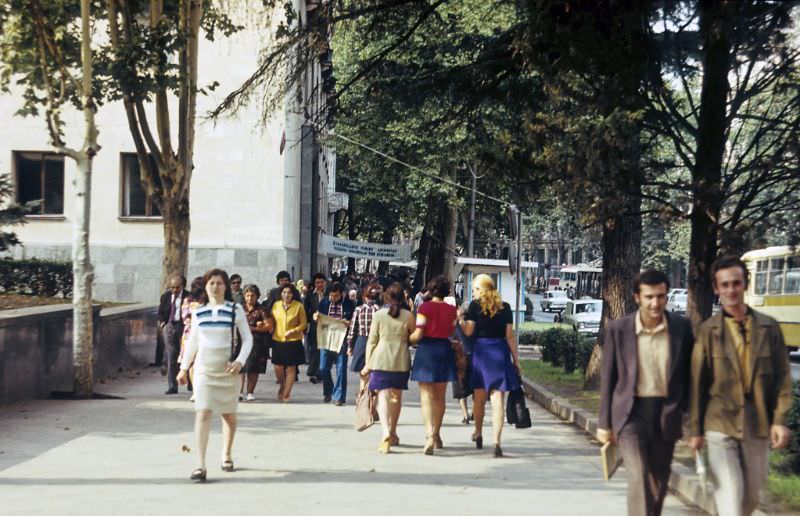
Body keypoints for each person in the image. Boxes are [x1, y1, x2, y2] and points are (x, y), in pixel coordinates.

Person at [688, 256, 792, 516]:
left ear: (745, 284)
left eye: (736, 283)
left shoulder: (769, 328)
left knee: (751, 498)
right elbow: (697, 383)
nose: (731, 290)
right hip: (719, 423)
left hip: (757, 424)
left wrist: (778, 420)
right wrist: (695, 429)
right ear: (716, 288)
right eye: (725, 285)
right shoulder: (708, 331)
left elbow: (783, 377)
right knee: (731, 501)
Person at [597, 269, 694, 516]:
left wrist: (691, 420)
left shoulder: (681, 328)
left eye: (661, 296)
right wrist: (604, 423)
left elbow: (689, 377)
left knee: (657, 485)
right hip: (630, 416)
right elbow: (609, 378)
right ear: (637, 297)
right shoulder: (619, 329)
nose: (655, 303)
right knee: (639, 478)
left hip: (666, 415)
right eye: (649, 296)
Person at [177, 268, 253, 482]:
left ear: (226, 286)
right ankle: (200, 464)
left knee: (228, 414)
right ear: (206, 285)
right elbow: (193, 341)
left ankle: (226, 453)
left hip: (228, 368)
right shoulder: (198, 311)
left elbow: (247, 339)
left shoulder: (235, 309)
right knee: (203, 412)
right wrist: (184, 368)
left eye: (220, 283)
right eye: (212, 283)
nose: (215, 287)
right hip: (203, 369)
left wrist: (240, 361)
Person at [457, 274, 519, 457]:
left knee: (479, 398)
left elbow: (468, 331)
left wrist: (460, 319)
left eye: (476, 289)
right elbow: (509, 336)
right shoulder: (505, 307)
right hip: (500, 353)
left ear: (483, 289)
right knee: (498, 400)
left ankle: (478, 432)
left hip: (481, 353)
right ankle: (497, 442)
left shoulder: (475, 307)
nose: (474, 292)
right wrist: (516, 360)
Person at [361, 283, 415, 453]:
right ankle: (393, 431)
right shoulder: (408, 316)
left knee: (382, 396)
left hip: (380, 359)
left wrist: (368, 364)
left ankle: (384, 431)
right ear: (403, 298)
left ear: (386, 298)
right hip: (400, 359)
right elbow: (413, 339)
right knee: (396, 397)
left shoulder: (378, 315)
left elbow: (372, 341)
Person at [410, 275, 458, 455]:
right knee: (440, 396)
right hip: (444, 350)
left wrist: (407, 339)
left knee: (426, 396)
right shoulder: (452, 310)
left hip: (427, 351)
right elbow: (452, 330)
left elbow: (419, 332)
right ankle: (437, 434)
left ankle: (429, 434)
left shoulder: (425, 308)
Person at [315, 282, 355, 405]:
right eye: (331, 296)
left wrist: (348, 323)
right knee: (323, 368)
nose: (333, 298)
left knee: (341, 369)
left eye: (336, 296)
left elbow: (353, 320)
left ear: (342, 294)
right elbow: (318, 315)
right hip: (326, 338)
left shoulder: (349, 304)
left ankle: (339, 397)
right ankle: (329, 390)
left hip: (342, 339)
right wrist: (316, 317)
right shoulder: (324, 303)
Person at [270, 284, 307, 402]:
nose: (287, 295)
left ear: (293, 294)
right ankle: (282, 384)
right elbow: (271, 320)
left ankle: (286, 393)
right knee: (278, 367)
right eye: (284, 292)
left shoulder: (299, 306)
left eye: (289, 293)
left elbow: (304, 324)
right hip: (278, 339)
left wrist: (294, 330)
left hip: (293, 340)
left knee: (291, 368)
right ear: (281, 294)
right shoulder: (276, 306)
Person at [240, 285, 273, 401]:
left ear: (257, 296)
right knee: (240, 368)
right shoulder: (240, 309)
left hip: (257, 342)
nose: (250, 298)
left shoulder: (262, 309)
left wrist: (254, 329)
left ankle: (250, 392)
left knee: (253, 368)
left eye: (252, 296)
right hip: (241, 341)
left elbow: (269, 326)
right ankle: (239, 392)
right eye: (247, 295)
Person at [158, 274, 189, 395]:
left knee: (187, 354)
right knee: (171, 355)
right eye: (172, 287)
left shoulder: (188, 296)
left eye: (177, 287)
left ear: (182, 286)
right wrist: (162, 323)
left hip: (184, 327)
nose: (175, 290)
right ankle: (172, 386)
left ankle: (190, 383)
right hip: (170, 326)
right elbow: (160, 311)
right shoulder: (166, 296)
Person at [348, 283, 381, 392]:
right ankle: (372, 392)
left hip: (361, 340)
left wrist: (350, 346)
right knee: (373, 368)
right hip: (376, 341)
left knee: (363, 370)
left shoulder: (359, 309)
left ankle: (362, 392)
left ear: (363, 296)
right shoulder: (379, 310)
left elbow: (352, 328)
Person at [179, 276, 206, 400]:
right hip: (191, 335)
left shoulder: (207, 303)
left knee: (197, 364)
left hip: (201, 335)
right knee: (192, 364)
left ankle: (199, 389)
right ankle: (196, 390)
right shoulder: (189, 302)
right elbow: (186, 318)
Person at [304, 272, 328, 383]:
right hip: (313, 326)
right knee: (314, 349)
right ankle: (317, 372)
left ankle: (314, 371)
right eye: (317, 282)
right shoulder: (310, 294)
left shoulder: (329, 293)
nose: (319, 284)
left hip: (327, 326)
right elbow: (306, 309)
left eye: (321, 282)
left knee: (322, 349)